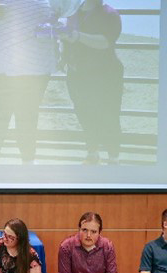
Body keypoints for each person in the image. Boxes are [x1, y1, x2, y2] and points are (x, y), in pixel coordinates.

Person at [0, 0, 56, 164]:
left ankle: (27, 165)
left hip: (37, 63)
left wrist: (57, 22)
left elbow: (64, 10)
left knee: (28, 117)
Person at [60, 0, 124, 164]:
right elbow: (68, 38)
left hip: (105, 74)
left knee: (108, 115)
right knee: (84, 113)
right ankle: (92, 153)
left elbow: (105, 42)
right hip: (77, 74)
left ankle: (113, 157)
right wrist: (63, 58)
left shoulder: (109, 14)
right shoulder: (73, 12)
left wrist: (78, 36)